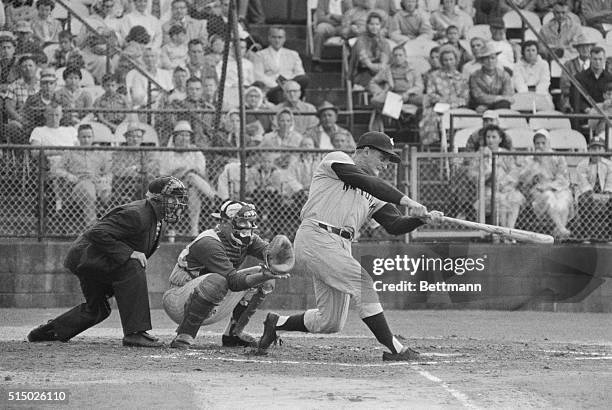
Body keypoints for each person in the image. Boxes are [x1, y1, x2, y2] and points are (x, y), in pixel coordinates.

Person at [256, 131, 445, 361]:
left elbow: (394, 224)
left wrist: (420, 219)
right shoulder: (337, 160)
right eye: (382, 157)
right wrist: (408, 201)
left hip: (342, 244)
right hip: (317, 236)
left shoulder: (375, 194)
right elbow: (365, 181)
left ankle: (276, 323)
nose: (385, 165)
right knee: (363, 283)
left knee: (330, 322)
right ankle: (396, 348)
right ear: (365, 150)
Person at [27, 176, 188, 347]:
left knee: (97, 309)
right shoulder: (137, 213)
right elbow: (96, 232)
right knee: (133, 265)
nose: (176, 203)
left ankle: (50, 332)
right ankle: (135, 333)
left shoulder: (155, 217)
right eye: (173, 197)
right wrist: (128, 253)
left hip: (97, 258)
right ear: (156, 198)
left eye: (179, 198)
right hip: (88, 258)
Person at [163, 200, 283, 348]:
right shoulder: (208, 241)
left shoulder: (248, 238)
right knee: (219, 280)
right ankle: (184, 335)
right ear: (224, 222)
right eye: (243, 222)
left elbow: (269, 253)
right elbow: (233, 281)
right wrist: (266, 274)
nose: (248, 228)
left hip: (212, 297)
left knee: (263, 279)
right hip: (179, 300)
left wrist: (278, 256)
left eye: (250, 223)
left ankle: (234, 333)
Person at [158, 121, 216, 236]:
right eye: (181, 135)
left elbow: (201, 171)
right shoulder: (168, 153)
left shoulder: (195, 152)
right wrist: (184, 172)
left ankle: (194, 229)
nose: (184, 139)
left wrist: (185, 171)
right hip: (173, 186)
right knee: (190, 176)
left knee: (193, 187)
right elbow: (163, 175)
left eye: (187, 135)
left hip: (193, 186)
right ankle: (214, 198)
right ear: (175, 137)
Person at [51, 124, 113, 230]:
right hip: (80, 182)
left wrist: (105, 178)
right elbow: (56, 170)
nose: (86, 140)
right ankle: (92, 226)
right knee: (88, 190)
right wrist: (68, 175)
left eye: (89, 137)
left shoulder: (100, 153)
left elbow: (109, 172)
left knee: (106, 190)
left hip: (97, 181)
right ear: (78, 138)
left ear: (93, 137)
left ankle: (111, 224)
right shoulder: (70, 152)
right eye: (83, 137)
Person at [467, 124, 524, 229]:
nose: (490, 140)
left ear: (500, 139)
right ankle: (503, 233)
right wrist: (487, 175)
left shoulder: (506, 154)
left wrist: (504, 184)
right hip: (487, 190)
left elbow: (514, 172)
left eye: (494, 137)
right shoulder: (480, 154)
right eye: (488, 137)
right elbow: (472, 174)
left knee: (515, 198)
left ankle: (510, 231)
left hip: (506, 187)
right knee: (499, 199)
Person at [519, 129, 573, 238]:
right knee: (548, 196)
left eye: (543, 143)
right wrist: (534, 165)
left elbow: (563, 178)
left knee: (564, 200)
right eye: (537, 143)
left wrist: (549, 186)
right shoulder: (529, 159)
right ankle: (561, 228)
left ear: (548, 143)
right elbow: (523, 180)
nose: (540, 146)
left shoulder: (558, 157)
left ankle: (559, 232)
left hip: (557, 188)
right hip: (538, 191)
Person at [420, 44, 469, 146]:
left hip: (457, 107)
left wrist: (453, 103)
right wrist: (444, 100)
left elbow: (465, 98)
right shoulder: (433, 76)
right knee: (433, 117)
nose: (448, 63)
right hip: (438, 106)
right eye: (445, 60)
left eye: (451, 59)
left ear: (456, 60)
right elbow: (431, 94)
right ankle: (437, 144)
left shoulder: (461, 77)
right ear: (442, 61)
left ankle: (457, 145)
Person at [369, 44, 424, 132]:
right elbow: (373, 82)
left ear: (405, 56)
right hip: (393, 96)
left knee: (426, 101)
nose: (398, 57)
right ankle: (400, 116)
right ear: (392, 57)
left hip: (409, 96)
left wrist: (408, 93)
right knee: (375, 101)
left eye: (400, 55)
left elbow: (419, 86)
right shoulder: (387, 69)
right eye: (395, 55)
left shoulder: (413, 69)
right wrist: (379, 92)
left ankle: (411, 120)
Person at [253, 26, 308, 105]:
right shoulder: (260, 55)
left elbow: (299, 73)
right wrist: (275, 83)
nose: (277, 40)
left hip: (290, 85)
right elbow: (258, 75)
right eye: (274, 37)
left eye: (280, 37)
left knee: (304, 78)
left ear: (284, 39)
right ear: (269, 38)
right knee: (278, 92)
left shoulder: (293, 54)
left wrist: (288, 83)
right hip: (271, 87)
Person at [574, 137, 612, 241]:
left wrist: (607, 194)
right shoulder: (582, 165)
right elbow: (583, 184)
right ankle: (587, 233)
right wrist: (593, 195)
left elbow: (610, 182)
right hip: (588, 194)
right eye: (594, 148)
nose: (596, 151)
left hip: (605, 195)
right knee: (585, 200)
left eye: (599, 148)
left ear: (604, 150)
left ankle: (608, 234)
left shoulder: (609, 165)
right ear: (589, 150)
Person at [349, 11, 391, 89]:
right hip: (363, 72)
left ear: (380, 26)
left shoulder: (383, 41)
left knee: (391, 81)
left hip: (379, 72)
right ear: (367, 25)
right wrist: (377, 68)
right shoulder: (361, 40)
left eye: (377, 24)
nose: (374, 27)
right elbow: (367, 64)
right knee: (377, 85)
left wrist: (381, 67)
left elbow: (385, 61)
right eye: (372, 24)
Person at [469, 43, 514, 113]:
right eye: (486, 59)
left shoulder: (504, 75)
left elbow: (507, 95)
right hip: (479, 105)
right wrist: (497, 98)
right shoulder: (474, 76)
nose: (490, 61)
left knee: (504, 104)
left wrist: (488, 107)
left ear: (496, 60)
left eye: (492, 58)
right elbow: (478, 96)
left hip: (499, 106)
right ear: (482, 61)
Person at [571, 46, 612, 114]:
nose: (598, 62)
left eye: (600, 59)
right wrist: (588, 110)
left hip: (607, 115)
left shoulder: (610, 78)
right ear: (590, 59)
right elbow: (575, 100)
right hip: (586, 115)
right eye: (595, 59)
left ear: (604, 59)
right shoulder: (579, 78)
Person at [560, 34, 595, 112]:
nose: (585, 49)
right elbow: (565, 85)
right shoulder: (569, 64)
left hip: (592, 99)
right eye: (581, 47)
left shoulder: (595, 64)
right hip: (573, 98)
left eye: (587, 46)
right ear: (577, 49)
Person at [312, 0, 353, 67]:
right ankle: (316, 60)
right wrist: (339, 20)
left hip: (342, 27)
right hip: (328, 26)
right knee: (320, 29)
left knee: (352, 30)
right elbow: (320, 18)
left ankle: (350, 61)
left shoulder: (347, 1)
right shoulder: (322, 1)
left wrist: (332, 16)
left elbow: (349, 18)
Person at [22, 67, 58, 139]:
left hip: (56, 132)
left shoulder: (61, 100)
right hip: (36, 132)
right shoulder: (32, 99)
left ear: (55, 85)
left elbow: (66, 120)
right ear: (40, 85)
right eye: (45, 83)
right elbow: (26, 118)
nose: (48, 86)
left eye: (51, 83)